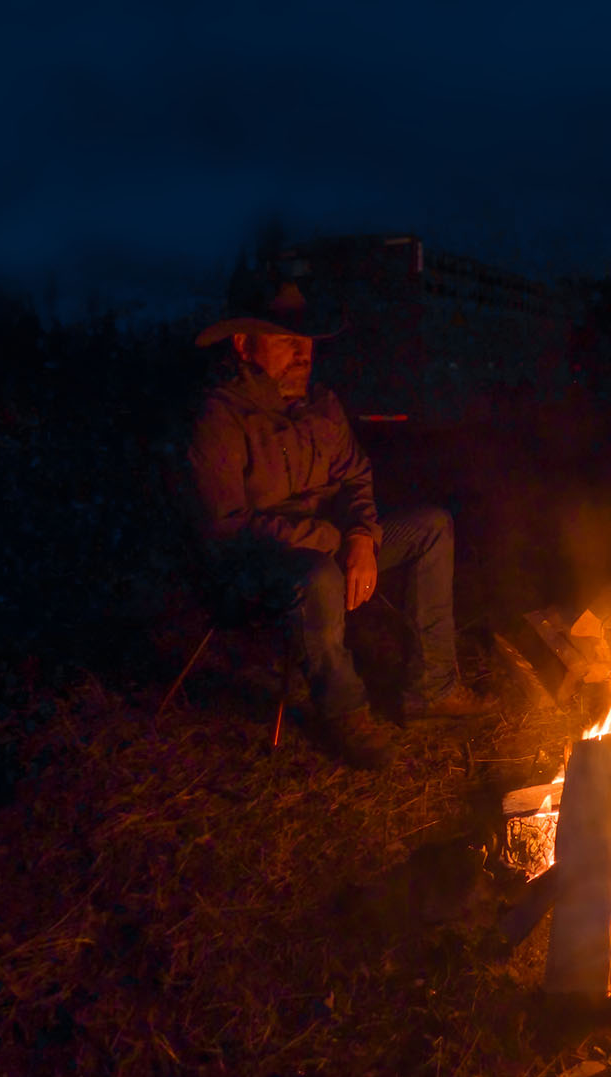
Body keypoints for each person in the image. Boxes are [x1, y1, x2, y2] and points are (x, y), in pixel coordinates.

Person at [187, 281, 494, 767]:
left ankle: (432, 690)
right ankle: (344, 712)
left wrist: (361, 536)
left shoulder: (322, 406)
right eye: (286, 340)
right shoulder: (221, 417)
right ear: (244, 345)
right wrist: (332, 539)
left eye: (306, 341)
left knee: (431, 526)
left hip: (332, 546)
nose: (302, 352)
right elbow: (227, 526)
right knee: (317, 574)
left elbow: (355, 477)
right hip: (253, 567)